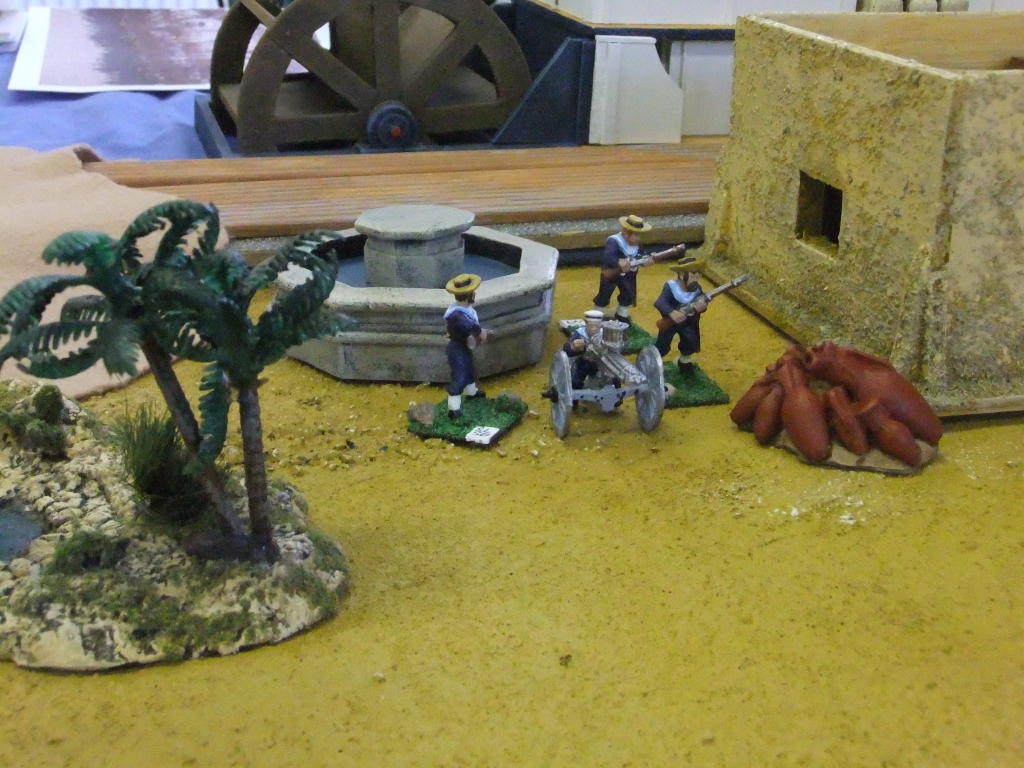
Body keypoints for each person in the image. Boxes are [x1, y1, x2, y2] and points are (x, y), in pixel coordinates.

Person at [444, 273, 492, 419]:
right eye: (472, 292)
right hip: (457, 348)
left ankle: (471, 392)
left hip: (465, 346)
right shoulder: (455, 315)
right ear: (468, 295)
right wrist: (480, 331)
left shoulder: (467, 309)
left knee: (470, 370)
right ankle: (453, 408)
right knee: (460, 375)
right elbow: (468, 325)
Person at [593, 214, 653, 325]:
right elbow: (608, 256)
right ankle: (596, 315)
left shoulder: (637, 244)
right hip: (612, 273)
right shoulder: (614, 241)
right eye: (636, 235)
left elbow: (641, 254)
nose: (639, 238)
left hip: (629, 275)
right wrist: (618, 261)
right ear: (626, 233)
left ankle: (621, 314)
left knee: (628, 294)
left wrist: (646, 260)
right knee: (604, 294)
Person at [654, 256, 708, 373]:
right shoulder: (670, 287)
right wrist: (671, 312)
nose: (696, 279)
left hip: (689, 323)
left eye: (697, 276)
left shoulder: (697, 290)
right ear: (682, 275)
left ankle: (684, 362)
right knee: (663, 345)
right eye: (693, 276)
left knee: (690, 342)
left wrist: (702, 307)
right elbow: (660, 302)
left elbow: (703, 301)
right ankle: (655, 365)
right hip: (671, 322)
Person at [564, 309, 605, 389]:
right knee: (576, 378)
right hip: (584, 362)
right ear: (586, 324)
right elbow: (567, 350)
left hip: (601, 363)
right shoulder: (580, 334)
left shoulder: (604, 334)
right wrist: (573, 347)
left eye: (596, 326)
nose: (594, 329)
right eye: (591, 326)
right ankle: (575, 393)